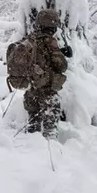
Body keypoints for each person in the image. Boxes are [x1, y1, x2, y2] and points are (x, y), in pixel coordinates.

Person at [20, 9, 70, 137]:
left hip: (31, 92)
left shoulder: (28, 40)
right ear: (53, 25)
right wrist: (62, 54)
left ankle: (29, 150)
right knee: (50, 131)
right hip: (47, 92)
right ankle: (49, 152)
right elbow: (61, 66)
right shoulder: (49, 41)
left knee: (32, 127)